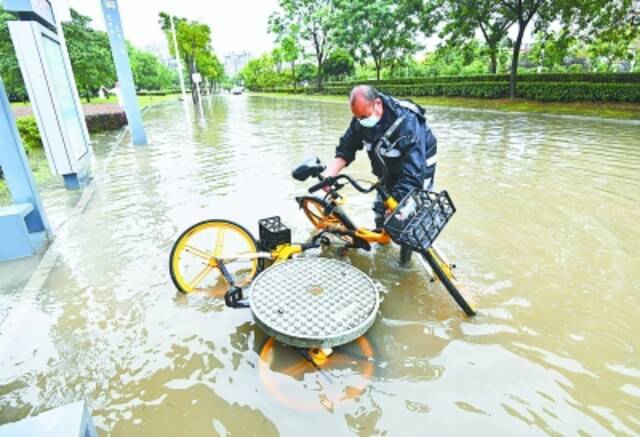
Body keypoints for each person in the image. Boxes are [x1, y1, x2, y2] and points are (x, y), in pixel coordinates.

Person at [324, 85, 438, 263]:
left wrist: (398, 206)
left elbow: (413, 173)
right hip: (388, 169)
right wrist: (330, 175)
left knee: (406, 218)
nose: (361, 121)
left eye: (364, 117)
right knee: (381, 209)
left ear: (377, 104)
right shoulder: (362, 118)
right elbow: (347, 147)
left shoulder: (407, 121)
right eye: (357, 117)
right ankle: (382, 246)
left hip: (419, 168)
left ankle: (404, 263)